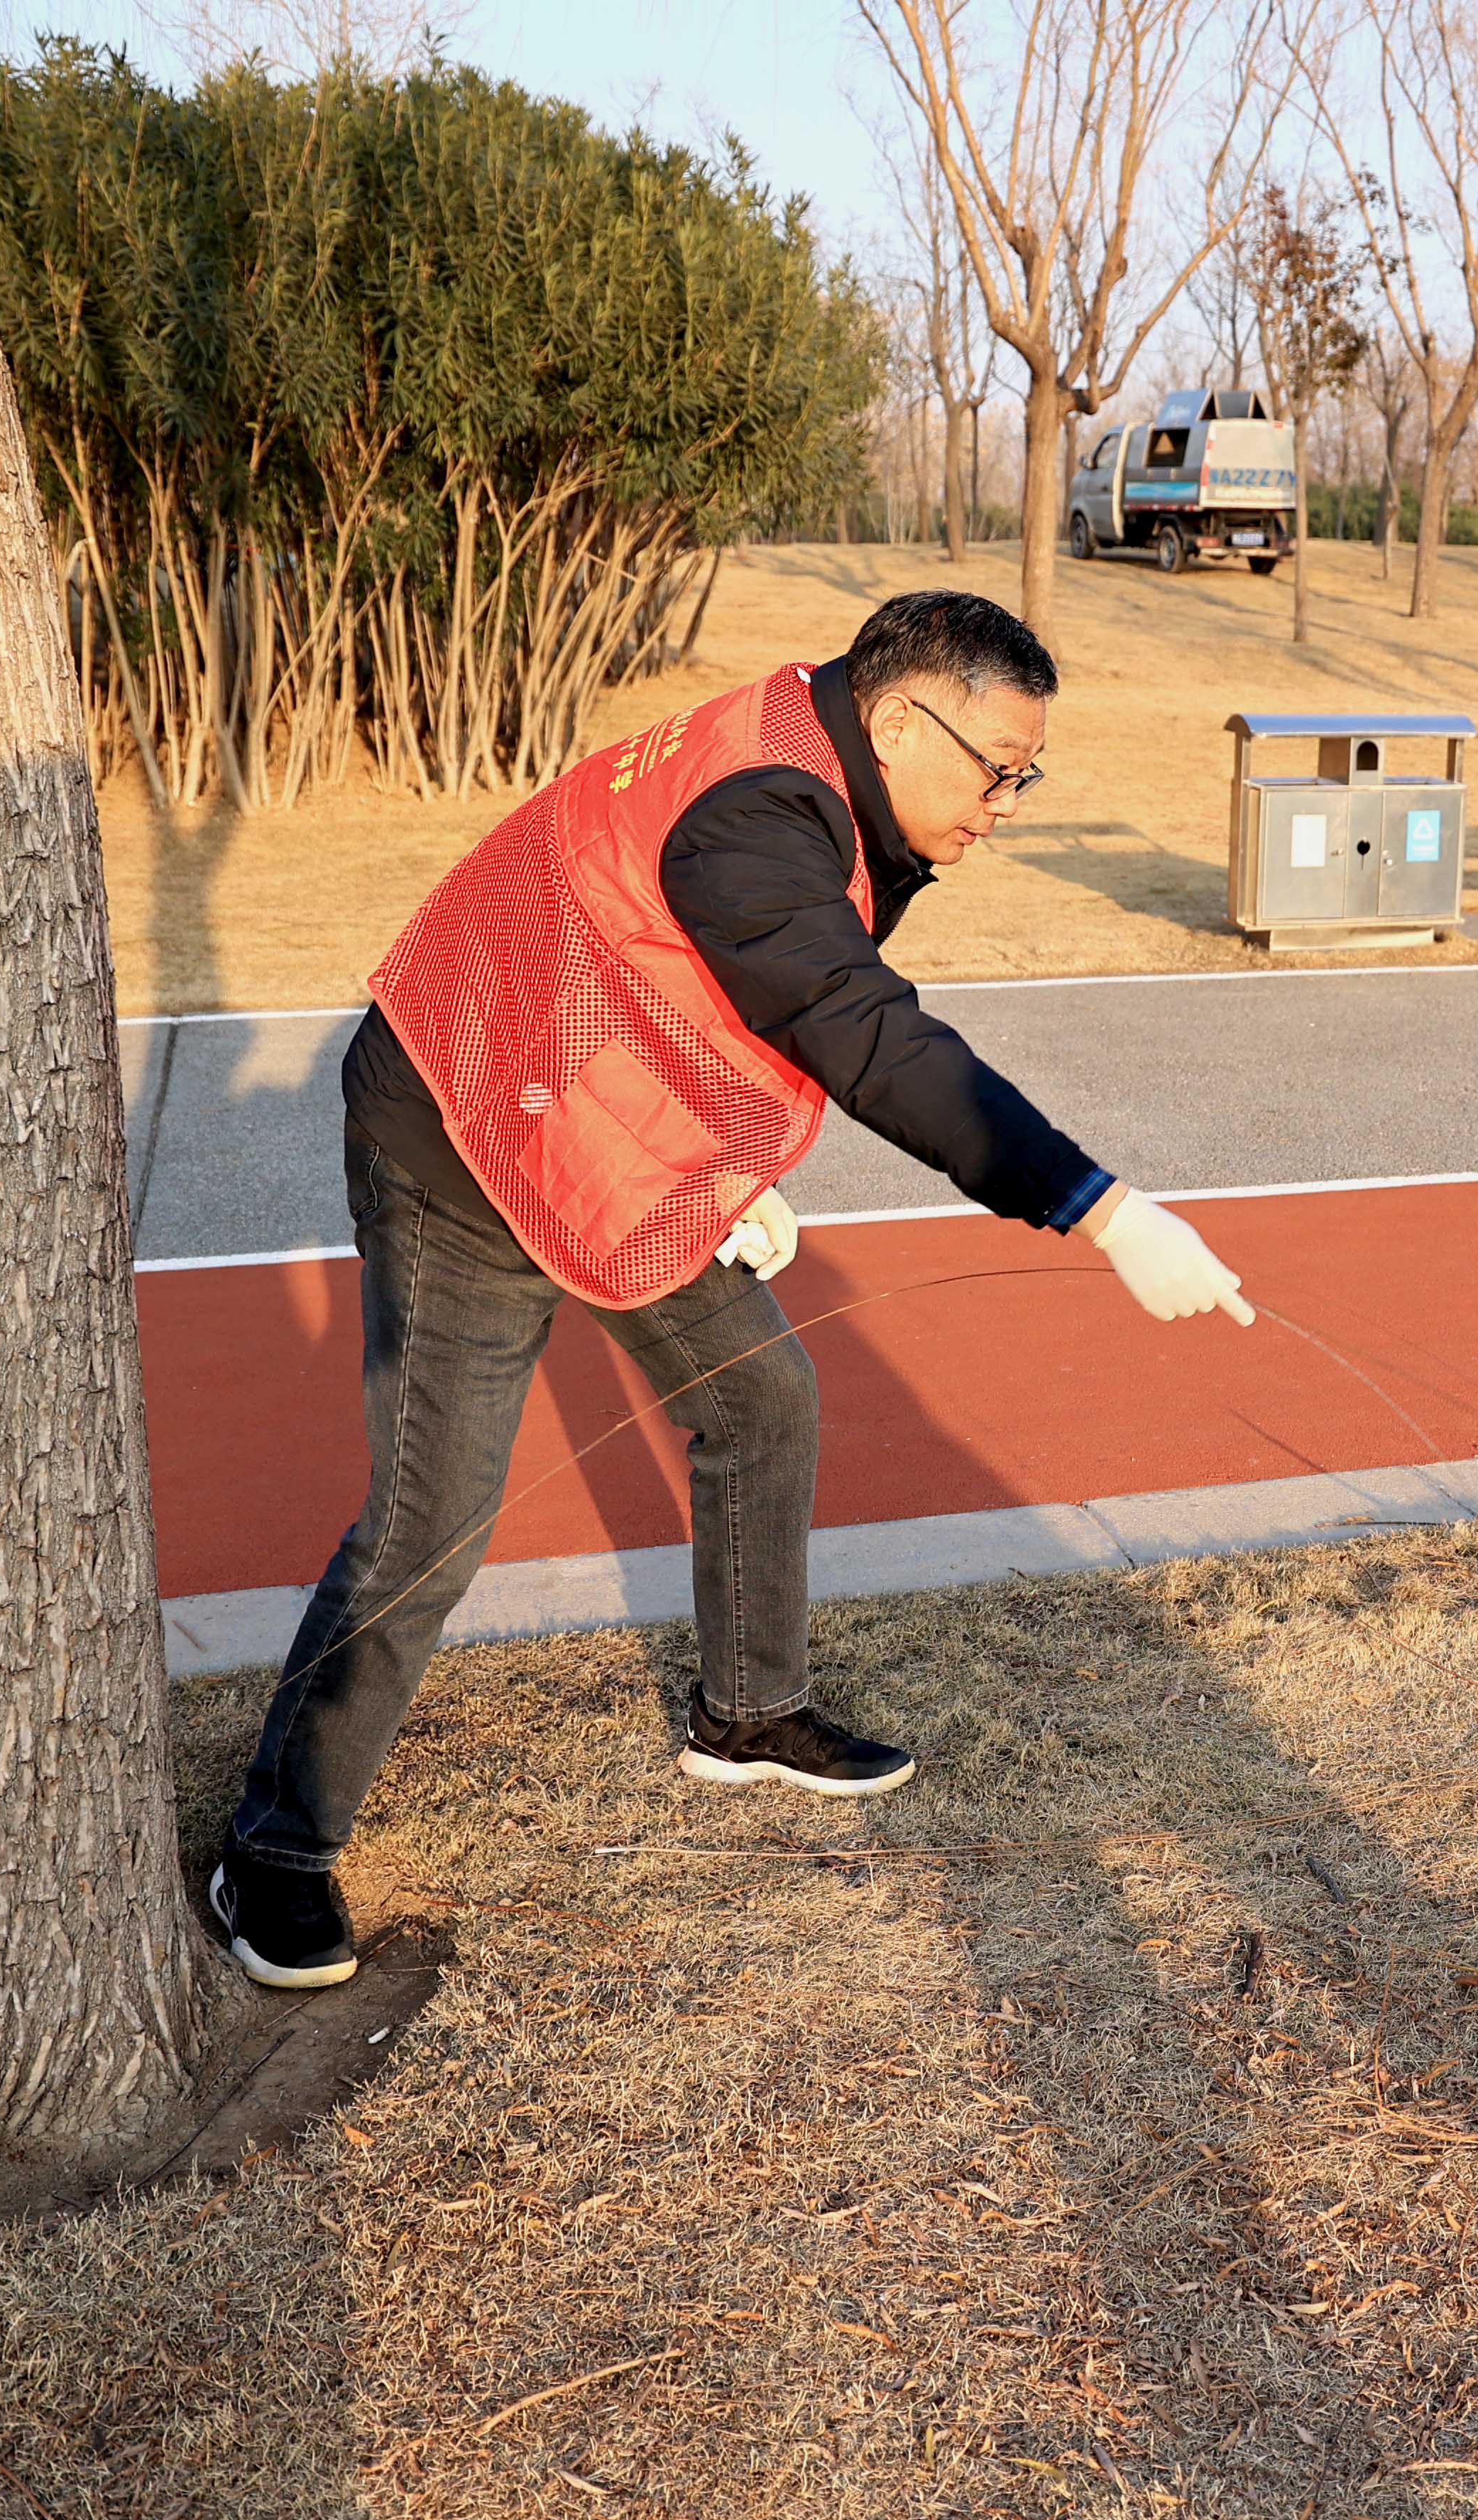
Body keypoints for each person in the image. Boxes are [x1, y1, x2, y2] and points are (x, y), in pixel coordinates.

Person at [210, 591, 1254, 1990]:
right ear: (899, 720)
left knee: (761, 1397)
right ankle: (273, 1849)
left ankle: (748, 1713)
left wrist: (720, 1168)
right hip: (467, 1124)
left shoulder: (825, 768)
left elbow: (682, 969)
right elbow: (859, 1030)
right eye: (997, 771)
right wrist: (1099, 1207)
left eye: (1028, 777)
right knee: (434, 1515)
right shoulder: (762, 813)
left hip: (601, 1130)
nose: (1006, 807)